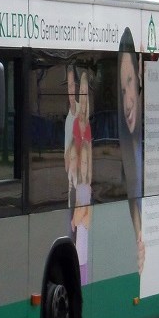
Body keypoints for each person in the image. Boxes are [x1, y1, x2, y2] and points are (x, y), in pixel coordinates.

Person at [118, 28, 145, 274]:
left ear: (139, 75)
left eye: (130, 83)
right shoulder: (125, 150)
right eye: (122, 90)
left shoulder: (150, 136)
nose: (128, 102)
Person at [67, 66, 93, 284]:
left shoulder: (88, 124)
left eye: (85, 92)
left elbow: (89, 155)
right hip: (76, 180)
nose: (82, 98)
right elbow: (74, 152)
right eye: (80, 92)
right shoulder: (76, 122)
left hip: (83, 182)